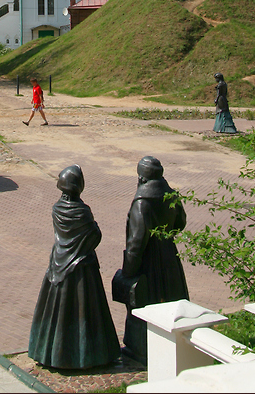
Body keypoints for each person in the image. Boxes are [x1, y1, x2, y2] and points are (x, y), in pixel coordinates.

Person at [28, 165, 120, 369]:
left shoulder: (56, 209)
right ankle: (87, 355)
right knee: (85, 312)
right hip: (82, 271)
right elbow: (95, 236)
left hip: (58, 265)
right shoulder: (82, 211)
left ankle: (53, 353)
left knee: (56, 313)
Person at [119, 156, 189, 365]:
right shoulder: (171, 195)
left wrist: (128, 272)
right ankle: (174, 345)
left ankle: (142, 350)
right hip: (169, 255)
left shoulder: (142, 204)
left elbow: (136, 243)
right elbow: (181, 222)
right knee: (172, 302)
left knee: (144, 307)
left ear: (141, 177)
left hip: (148, 262)